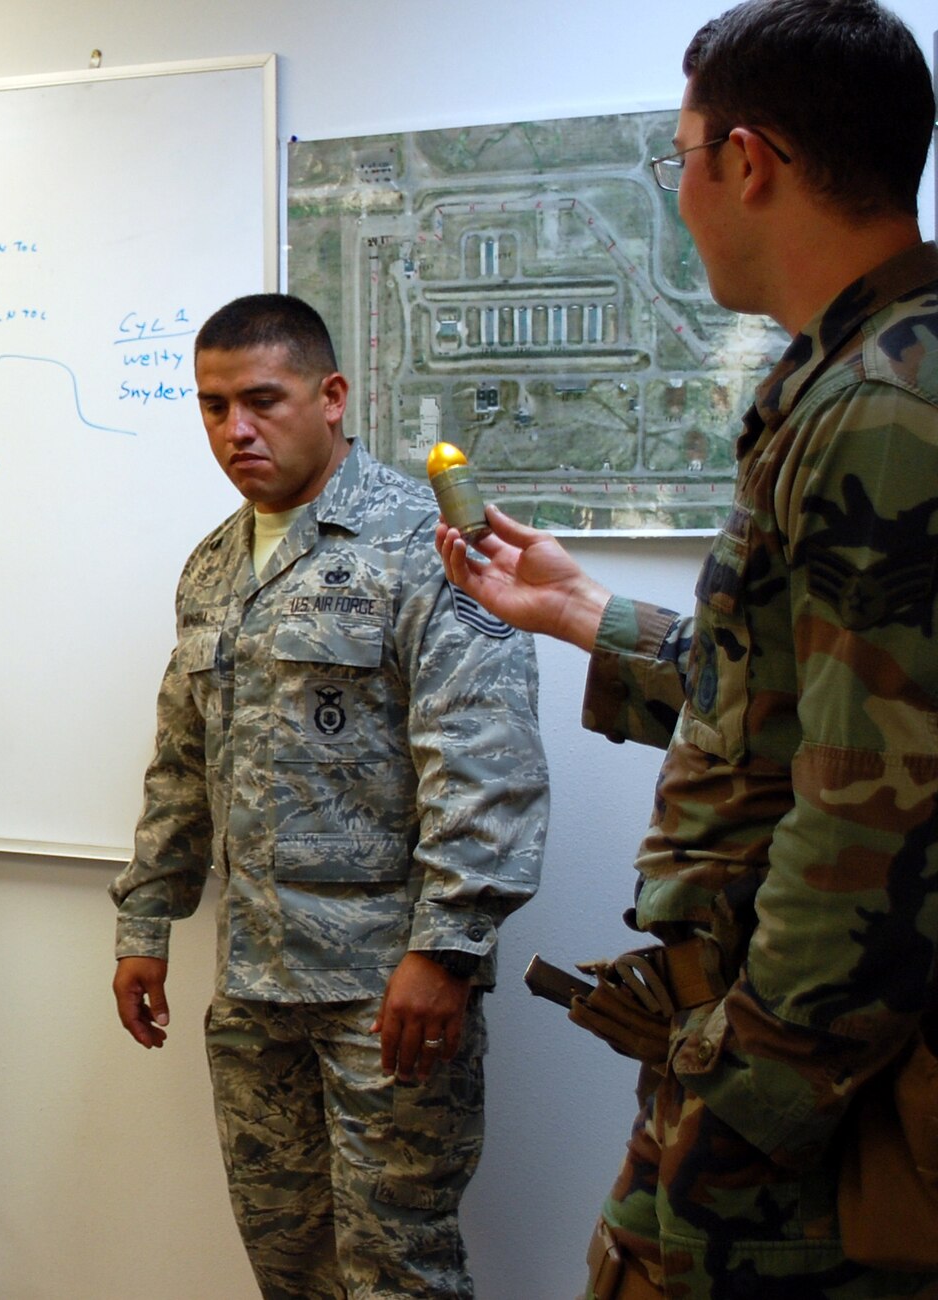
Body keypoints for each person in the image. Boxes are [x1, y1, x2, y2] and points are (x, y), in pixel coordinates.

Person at [434, 3, 938, 1295]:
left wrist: (736, 1117)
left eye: (683, 162)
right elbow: (815, 705)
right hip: (796, 1074)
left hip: (807, 1112)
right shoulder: (870, 376)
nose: (685, 200)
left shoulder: (878, 411)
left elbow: (866, 840)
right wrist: (580, 612)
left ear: (749, 163)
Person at [109, 294, 549, 1298]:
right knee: (289, 1265)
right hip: (255, 986)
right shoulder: (213, 566)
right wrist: (144, 921)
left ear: (331, 395)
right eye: (212, 406)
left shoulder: (425, 549)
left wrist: (446, 950)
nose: (235, 430)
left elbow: (483, 763)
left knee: (398, 1267)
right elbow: (181, 760)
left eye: (260, 400)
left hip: (384, 992)